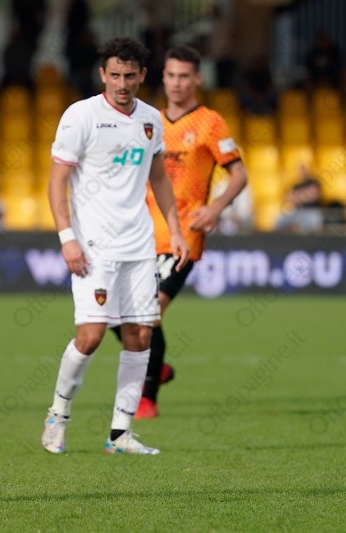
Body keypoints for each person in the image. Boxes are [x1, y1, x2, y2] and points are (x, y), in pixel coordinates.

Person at [41, 37, 189, 456]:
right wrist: (67, 239)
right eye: (115, 75)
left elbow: (159, 178)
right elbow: (56, 182)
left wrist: (175, 230)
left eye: (130, 75)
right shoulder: (81, 116)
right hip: (93, 247)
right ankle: (58, 415)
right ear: (103, 74)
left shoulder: (151, 119)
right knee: (89, 337)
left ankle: (120, 434)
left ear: (142, 76)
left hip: (139, 245)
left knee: (140, 335)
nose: (122, 83)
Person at [111, 46, 248, 418]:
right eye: (171, 75)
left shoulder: (210, 123)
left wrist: (216, 207)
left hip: (182, 237)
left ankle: (147, 398)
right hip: (138, 234)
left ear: (197, 79)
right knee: (112, 311)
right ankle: (157, 365)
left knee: (147, 313)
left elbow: (239, 174)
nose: (176, 83)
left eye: (184, 76)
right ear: (162, 77)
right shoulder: (147, 119)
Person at [275, 164, 323, 233]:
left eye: (304, 169)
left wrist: (298, 196)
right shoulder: (296, 185)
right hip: (298, 211)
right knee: (280, 219)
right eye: (300, 170)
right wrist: (305, 195)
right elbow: (289, 198)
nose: (302, 172)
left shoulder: (313, 182)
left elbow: (313, 197)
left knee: (313, 220)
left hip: (311, 211)